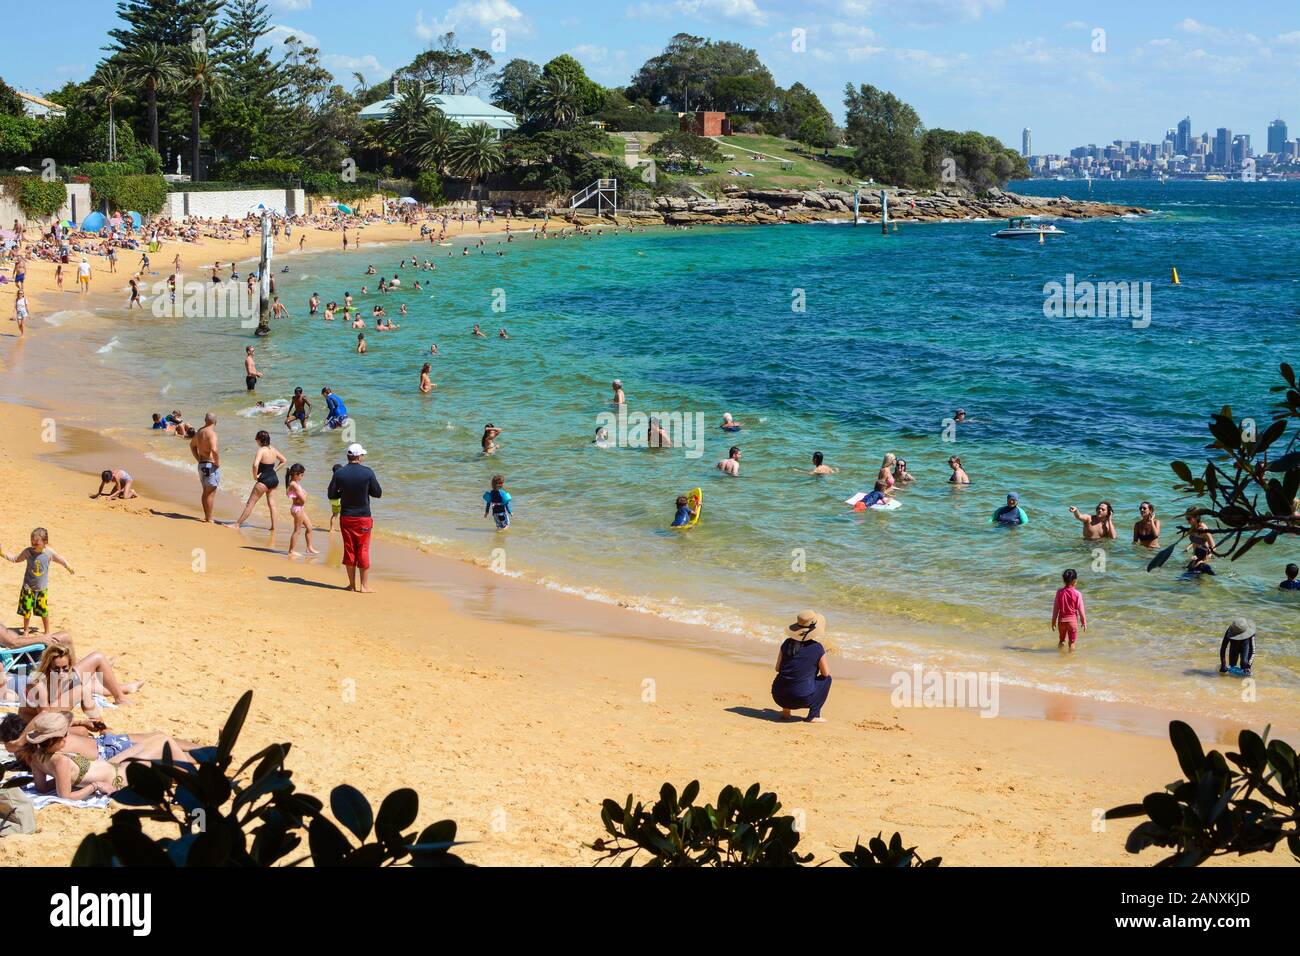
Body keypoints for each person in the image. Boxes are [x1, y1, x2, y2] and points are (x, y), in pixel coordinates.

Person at [327, 444, 382, 592]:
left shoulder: (339, 473)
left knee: (349, 549)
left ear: (348, 456)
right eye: (362, 455)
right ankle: (364, 586)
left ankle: (351, 585)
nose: (362, 457)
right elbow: (377, 493)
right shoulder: (368, 473)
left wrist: (344, 493)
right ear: (358, 457)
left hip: (346, 517)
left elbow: (332, 495)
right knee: (363, 550)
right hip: (363, 517)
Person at [1, 529, 73, 637]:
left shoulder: (49, 553)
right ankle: (26, 631)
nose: (33, 545)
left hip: (41, 589)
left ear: (45, 542)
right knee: (26, 611)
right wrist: (2, 554)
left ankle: (47, 631)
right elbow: (15, 559)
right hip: (28, 587)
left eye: (36, 543)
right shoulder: (28, 552)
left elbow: (60, 559)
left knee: (44, 611)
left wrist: (68, 566)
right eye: (32, 542)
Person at [770, 611, 832, 723]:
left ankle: (786, 712)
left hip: (779, 696)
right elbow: (825, 673)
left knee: (790, 675)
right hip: (800, 699)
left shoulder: (787, 643)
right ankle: (813, 715)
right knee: (827, 679)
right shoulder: (817, 647)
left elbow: (778, 668)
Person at [231, 431, 285, 531]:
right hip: (274, 479)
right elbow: (284, 460)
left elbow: (255, 465)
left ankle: (237, 524)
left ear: (260, 440)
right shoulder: (273, 449)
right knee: (272, 505)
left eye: (256, 439)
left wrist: (255, 477)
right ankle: (273, 527)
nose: (256, 441)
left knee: (250, 503)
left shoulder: (261, 450)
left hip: (264, 480)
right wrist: (274, 470)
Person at [191, 413, 220, 522]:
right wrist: (217, 462)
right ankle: (209, 518)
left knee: (206, 491)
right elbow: (214, 450)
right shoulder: (211, 433)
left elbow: (192, 445)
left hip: (202, 464)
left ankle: (207, 516)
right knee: (211, 492)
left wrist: (198, 459)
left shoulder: (199, 432)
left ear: (205, 420)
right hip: (210, 465)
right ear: (215, 422)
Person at [285, 464, 319, 556]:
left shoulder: (294, 483)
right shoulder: (294, 484)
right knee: (297, 530)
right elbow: (303, 499)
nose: (302, 477)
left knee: (309, 527)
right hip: (297, 510)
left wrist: (304, 494)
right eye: (301, 475)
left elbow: (301, 495)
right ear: (296, 474)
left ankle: (309, 547)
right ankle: (291, 551)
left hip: (300, 509)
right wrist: (305, 495)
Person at [1050, 568, 1086, 651]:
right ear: (1074, 581)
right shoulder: (1077, 594)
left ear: (1063, 580)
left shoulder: (1059, 592)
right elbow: (1081, 610)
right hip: (1072, 622)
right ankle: (1070, 660)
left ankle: (1060, 656)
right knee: (1072, 643)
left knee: (1062, 641)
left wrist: (1053, 621)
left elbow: (1055, 609)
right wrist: (1084, 622)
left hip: (1061, 621)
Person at [327, 463, 342, 533]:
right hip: (338, 500)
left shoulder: (333, 479)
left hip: (332, 499)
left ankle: (331, 528)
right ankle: (341, 528)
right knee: (343, 514)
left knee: (334, 515)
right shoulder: (339, 478)